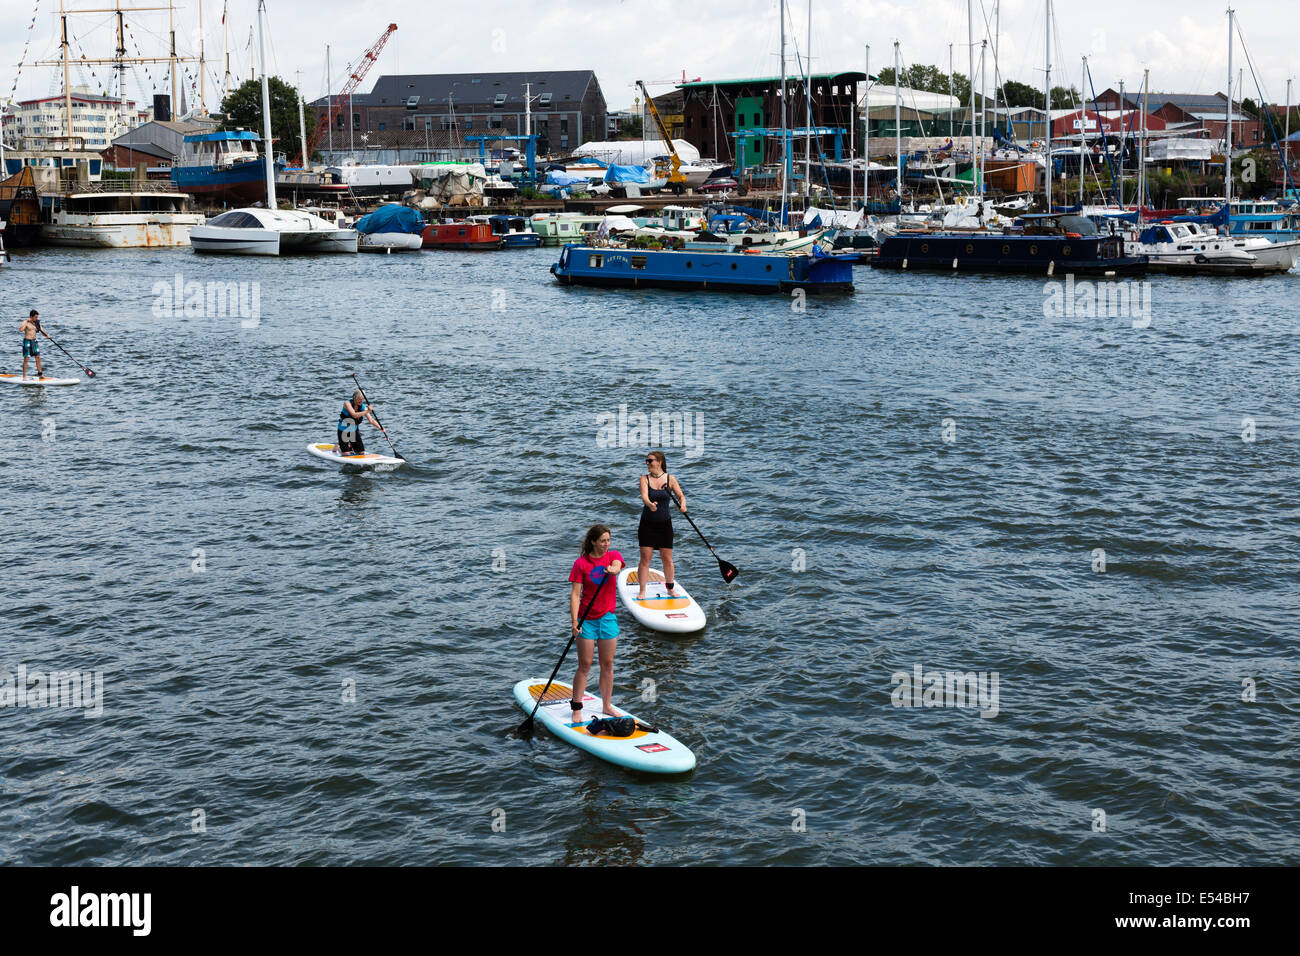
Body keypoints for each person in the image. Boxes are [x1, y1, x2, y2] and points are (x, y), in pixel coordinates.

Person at [568, 524, 625, 725]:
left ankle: (607, 705)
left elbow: (618, 565)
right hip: (587, 621)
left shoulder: (613, 555)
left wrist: (613, 569)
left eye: (608, 540)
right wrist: (574, 622)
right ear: (593, 542)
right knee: (584, 665)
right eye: (602, 541)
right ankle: (576, 706)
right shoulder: (581, 564)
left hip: (607, 619)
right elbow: (575, 595)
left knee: (607, 665)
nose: (606, 544)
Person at [637, 450, 687, 599]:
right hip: (647, 524)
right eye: (646, 461)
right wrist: (650, 505)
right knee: (646, 559)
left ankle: (670, 588)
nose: (647, 463)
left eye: (650, 461)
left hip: (665, 525)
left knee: (667, 559)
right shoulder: (644, 479)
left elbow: (681, 496)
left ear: (659, 462)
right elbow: (644, 497)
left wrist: (683, 505)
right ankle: (642, 591)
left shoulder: (670, 479)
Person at [336, 389, 382, 455]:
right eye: (360, 399)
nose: (361, 401)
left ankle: (350, 446)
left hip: (353, 431)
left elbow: (371, 420)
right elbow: (354, 415)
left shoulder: (362, 407)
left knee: (361, 453)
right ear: (354, 397)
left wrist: (380, 428)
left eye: (362, 399)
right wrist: (367, 411)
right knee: (346, 454)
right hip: (343, 431)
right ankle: (338, 447)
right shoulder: (347, 403)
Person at [20, 309, 50, 380]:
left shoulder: (37, 323)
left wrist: (47, 335)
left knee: (38, 357)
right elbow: (21, 330)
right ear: (31, 316)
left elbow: (41, 330)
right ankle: (24, 376)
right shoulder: (25, 322)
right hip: (27, 341)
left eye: (37, 317)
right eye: (35, 317)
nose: (37, 318)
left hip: (34, 342)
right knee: (26, 358)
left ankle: (40, 374)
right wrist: (26, 322)